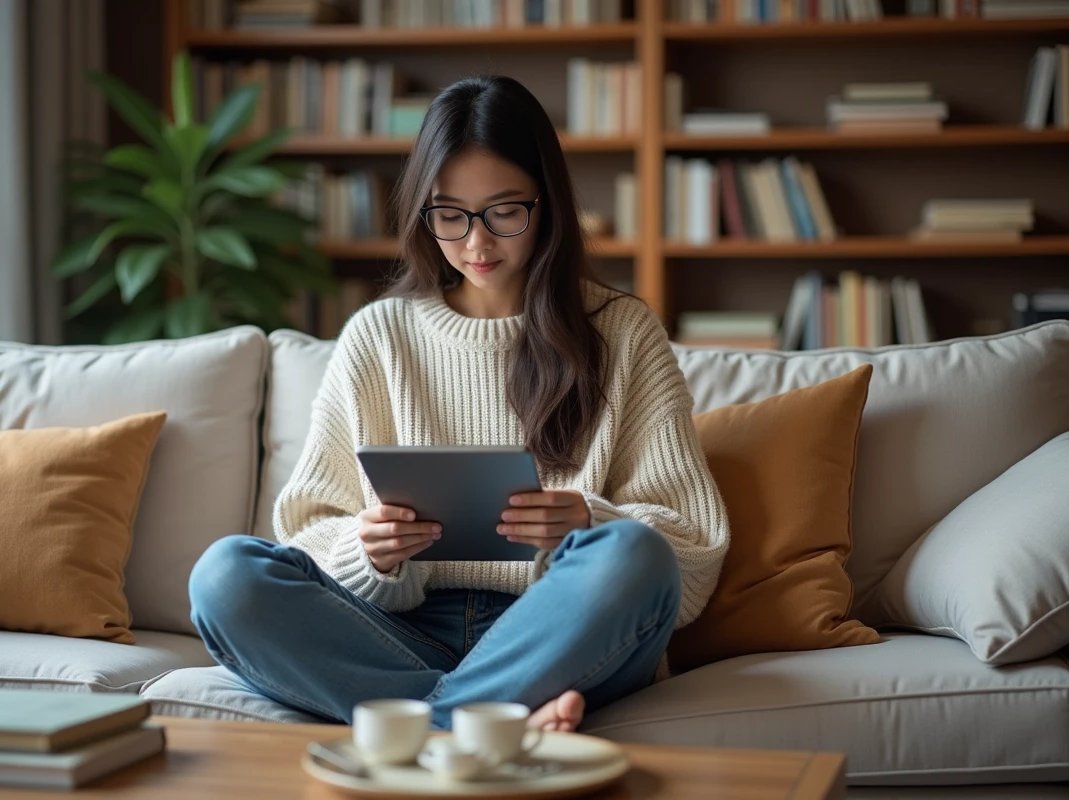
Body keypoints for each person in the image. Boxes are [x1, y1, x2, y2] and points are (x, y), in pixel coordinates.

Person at [189, 75, 730, 733]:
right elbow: (306, 524)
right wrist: (371, 552)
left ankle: (426, 727)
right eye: (450, 215)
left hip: (558, 630)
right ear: (423, 211)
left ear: (547, 203)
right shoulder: (379, 335)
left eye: (505, 212)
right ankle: (488, 723)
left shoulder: (622, 332)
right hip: (397, 633)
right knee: (224, 577)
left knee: (632, 555)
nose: (477, 244)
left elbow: (692, 546)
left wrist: (590, 519)